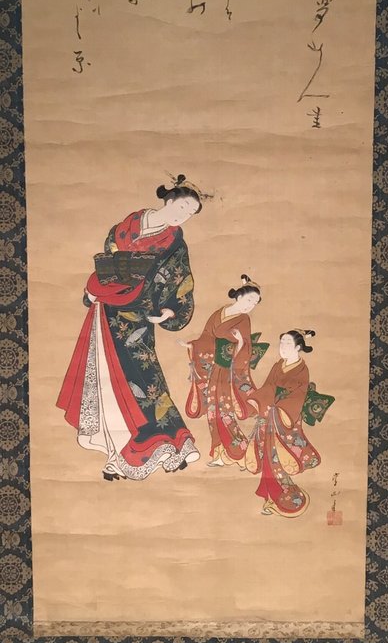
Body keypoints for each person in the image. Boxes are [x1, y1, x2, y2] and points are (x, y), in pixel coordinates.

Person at [57, 175, 206, 481]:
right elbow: (107, 263)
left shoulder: (175, 244)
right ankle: (117, 455)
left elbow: (181, 282)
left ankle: (173, 443)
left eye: (190, 213)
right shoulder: (125, 227)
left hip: (139, 316)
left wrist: (170, 311)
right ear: (169, 200)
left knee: (144, 378)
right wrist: (95, 290)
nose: (183, 216)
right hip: (106, 310)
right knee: (106, 380)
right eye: (182, 207)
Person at [180, 275, 262, 469]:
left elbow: (246, 347)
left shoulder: (244, 319)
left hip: (229, 371)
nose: (250, 306)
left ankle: (239, 452)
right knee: (212, 413)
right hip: (214, 369)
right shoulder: (219, 313)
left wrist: (239, 342)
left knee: (224, 412)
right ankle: (219, 453)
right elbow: (206, 337)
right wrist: (192, 346)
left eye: (255, 303)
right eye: (249, 300)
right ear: (239, 296)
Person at [245, 329, 321, 517]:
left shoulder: (302, 370)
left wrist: (276, 404)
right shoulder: (278, 365)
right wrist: (259, 401)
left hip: (285, 419)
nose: (283, 347)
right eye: (281, 343)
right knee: (267, 458)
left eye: (287, 343)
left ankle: (286, 497)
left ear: (298, 347)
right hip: (269, 416)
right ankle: (271, 498)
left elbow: (296, 396)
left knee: (276, 458)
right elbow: (267, 386)